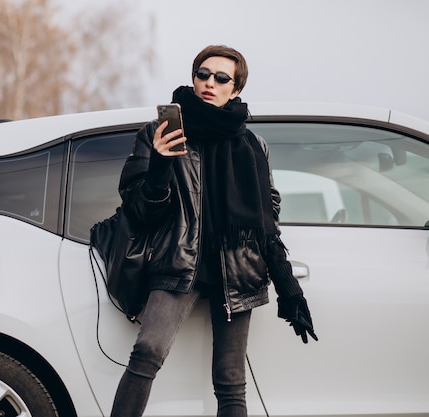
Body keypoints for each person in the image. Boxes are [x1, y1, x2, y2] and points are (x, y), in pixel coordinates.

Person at [110, 45, 318, 417]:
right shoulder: (158, 133)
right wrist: (160, 162)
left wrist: (288, 286)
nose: (210, 83)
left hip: (237, 268)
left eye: (221, 78)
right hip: (178, 261)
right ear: (193, 79)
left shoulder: (253, 146)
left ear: (235, 89)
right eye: (202, 75)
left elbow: (267, 218)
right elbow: (140, 211)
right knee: (146, 354)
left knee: (230, 380)